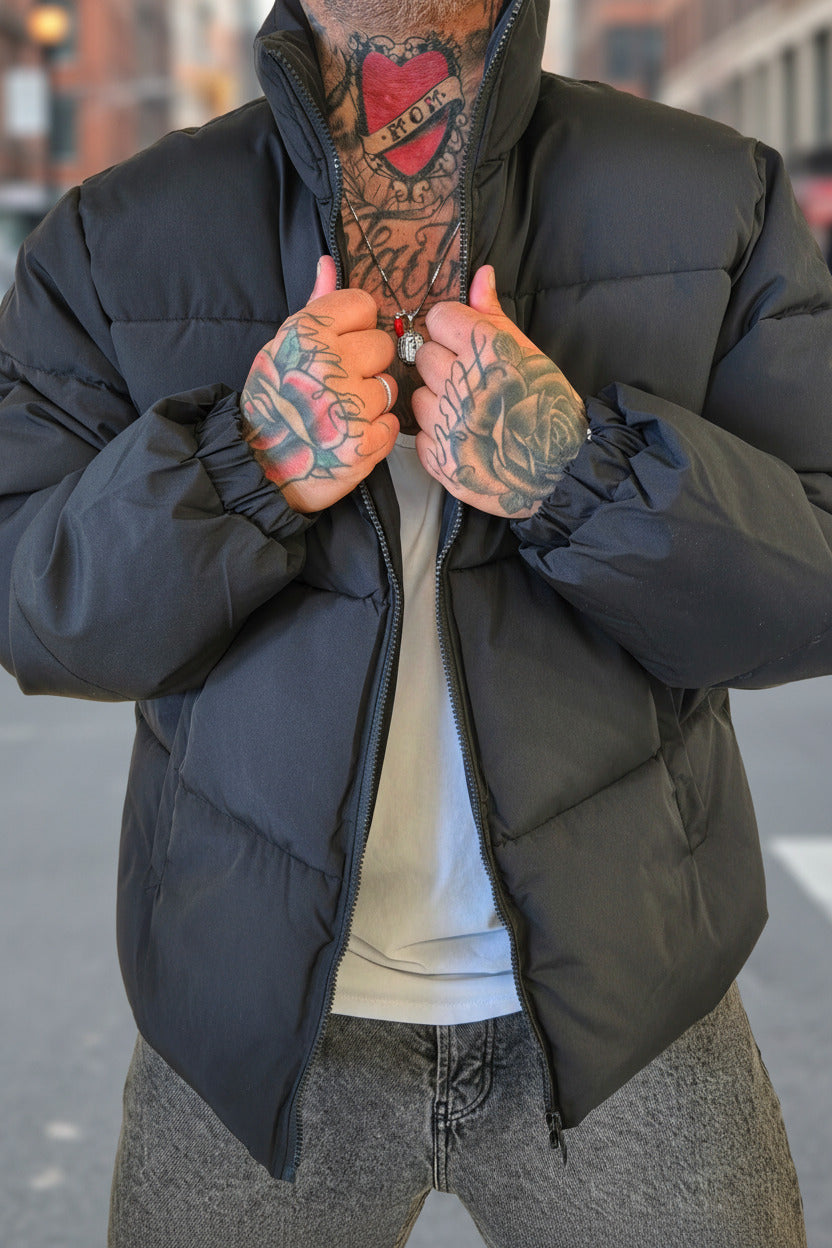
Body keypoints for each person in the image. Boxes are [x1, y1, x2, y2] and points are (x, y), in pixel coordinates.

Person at [0, 0, 823, 1242]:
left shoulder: (718, 199)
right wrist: (240, 467)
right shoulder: (117, 234)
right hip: (249, 1027)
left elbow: (811, 589)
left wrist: (581, 477)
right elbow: (34, 604)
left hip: (633, 1006)